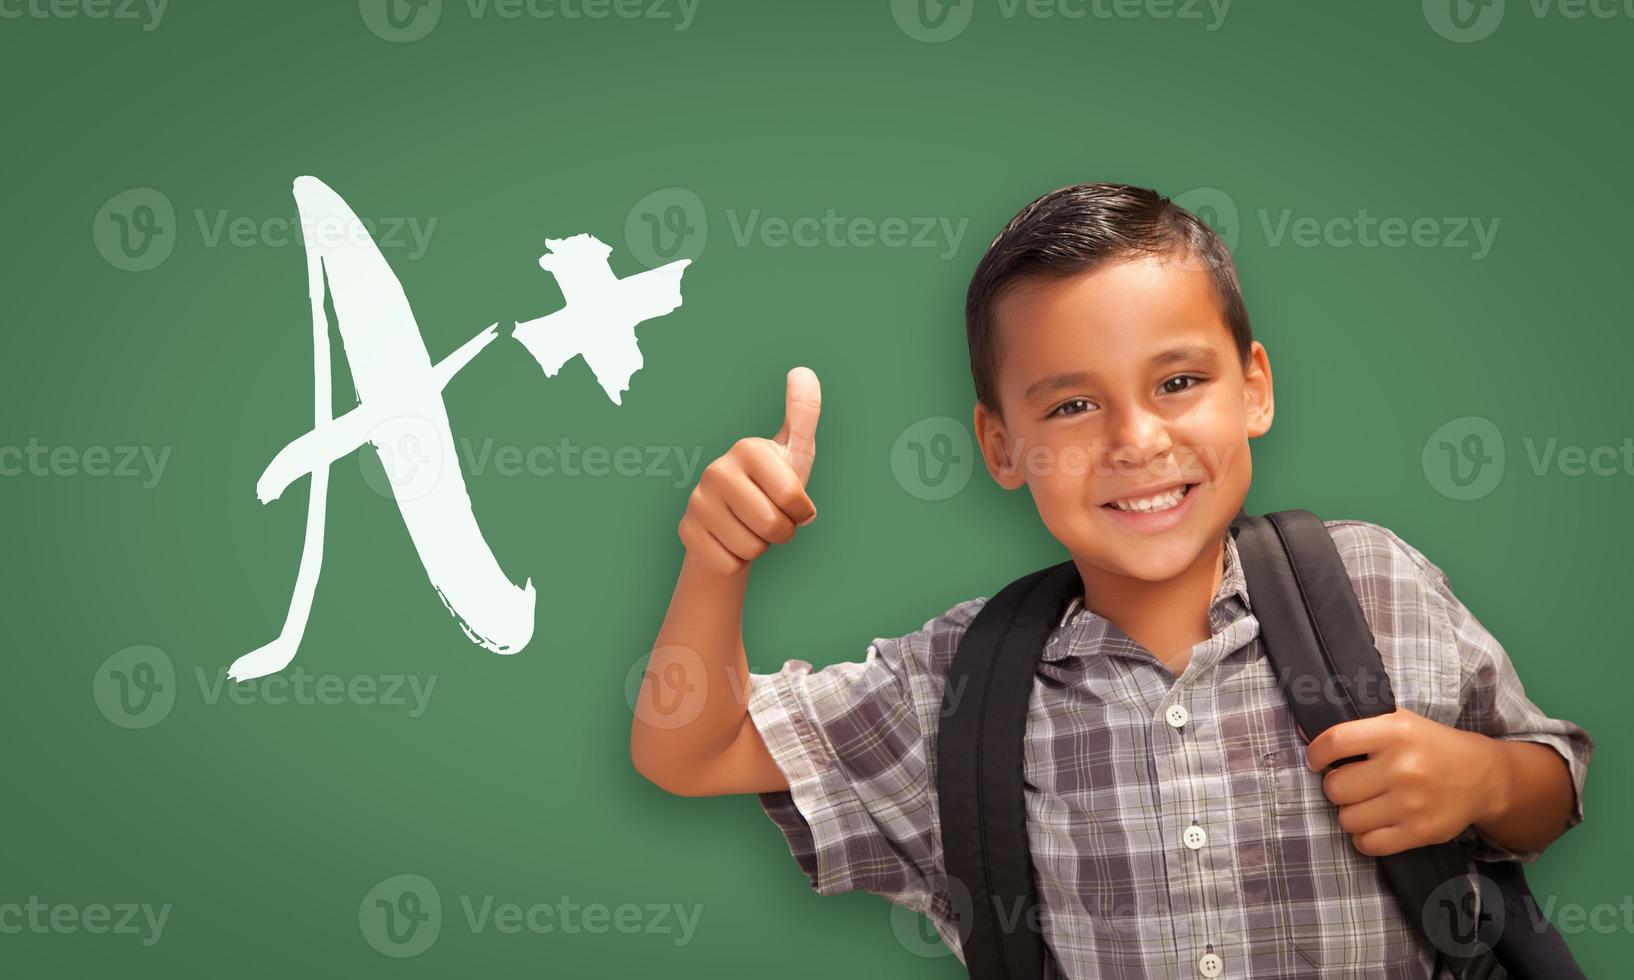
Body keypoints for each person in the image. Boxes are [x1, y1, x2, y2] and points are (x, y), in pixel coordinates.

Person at [629, 182, 1594, 978]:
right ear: (1001, 445)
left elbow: (1549, 783)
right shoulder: (958, 683)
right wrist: (718, 561)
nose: (1136, 441)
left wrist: (1484, 777)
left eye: (1178, 383)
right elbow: (692, 750)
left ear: (1252, 386)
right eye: (1074, 405)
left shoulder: (1373, 583)